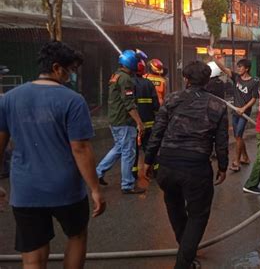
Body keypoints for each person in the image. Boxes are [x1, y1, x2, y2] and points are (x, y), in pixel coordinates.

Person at [0, 41, 106, 268]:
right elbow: (81, 149)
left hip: (26, 190)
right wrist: (95, 188)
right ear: (57, 68)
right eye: (70, 70)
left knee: (33, 251)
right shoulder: (73, 101)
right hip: (66, 189)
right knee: (77, 236)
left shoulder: (9, 98)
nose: (71, 75)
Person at [144, 61, 228, 269]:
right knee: (198, 215)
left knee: (174, 207)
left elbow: (158, 131)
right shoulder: (218, 105)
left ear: (186, 79)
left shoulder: (172, 99)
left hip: (167, 166)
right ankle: (184, 261)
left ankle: (185, 251)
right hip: (196, 169)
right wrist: (223, 166)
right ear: (208, 80)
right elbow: (222, 141)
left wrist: (148, 159)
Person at [96, 50, 145, 194]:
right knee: (128, 152)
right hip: (124, 121)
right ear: (131, 62)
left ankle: (98, 172)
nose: (138, 64)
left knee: (119, 148)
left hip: (114, 119)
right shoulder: (126, 79)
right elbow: (129, 104)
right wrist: (139, 122)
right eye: (136, 61)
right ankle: (127, 185)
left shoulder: (116, 75)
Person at [208, 48, 258, 171]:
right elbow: (223, 68)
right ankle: (245, 157)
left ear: (246, 69)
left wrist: (244, 108)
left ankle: (236, 162)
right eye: (238, 67)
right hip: (235, 111)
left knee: (238, 136)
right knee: (238, 136)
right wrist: (214, 57)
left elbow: (254, 98)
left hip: (244, 113)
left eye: (240, 67)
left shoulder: (253, 82)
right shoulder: (236, 78)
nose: (238, 69)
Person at [131, 59, 160, 179]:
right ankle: (155, 170)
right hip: (149, 122)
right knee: (150, 146)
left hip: (135, 123)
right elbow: (156, 105)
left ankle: (133, 172)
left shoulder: (130, 83)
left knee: (134, 149)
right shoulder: (149, 83)